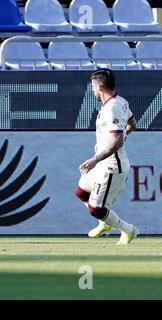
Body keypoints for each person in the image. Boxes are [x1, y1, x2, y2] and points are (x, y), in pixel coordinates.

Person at [75, 69, 138, 245]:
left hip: (112, 166)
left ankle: (128, 229)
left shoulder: (113, 108)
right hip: (102, 162)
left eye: (92, 86)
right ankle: (105, 223)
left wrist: (95, 159)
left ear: (100, 86)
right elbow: (133, 124)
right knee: (81, 193)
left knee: (95, 209)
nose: (92, 90)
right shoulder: (119, 101)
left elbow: (117, 142)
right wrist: (122, 136)